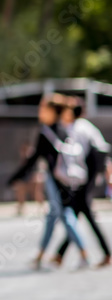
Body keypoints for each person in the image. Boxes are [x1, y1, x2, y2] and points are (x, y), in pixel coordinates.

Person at [6, 94, 90, 269]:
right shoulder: (65, 129)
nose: (40, 111)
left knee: (65, 215)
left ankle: (84, 253)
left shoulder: (46, 132)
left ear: (52, 111)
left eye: (43, 108)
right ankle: (40, 256)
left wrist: (15, 178)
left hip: (55, 180)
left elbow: (33, 160)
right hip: (68, 180)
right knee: (53, 216)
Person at [53, 98, 111, 267]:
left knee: (82, 210)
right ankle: (60, 254)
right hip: (91, 172)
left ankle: (105, 253)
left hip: (87, 174)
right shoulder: (87, 126)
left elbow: (77, 155)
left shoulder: (76, 128)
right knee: (79, 210)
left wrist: (73, 177)